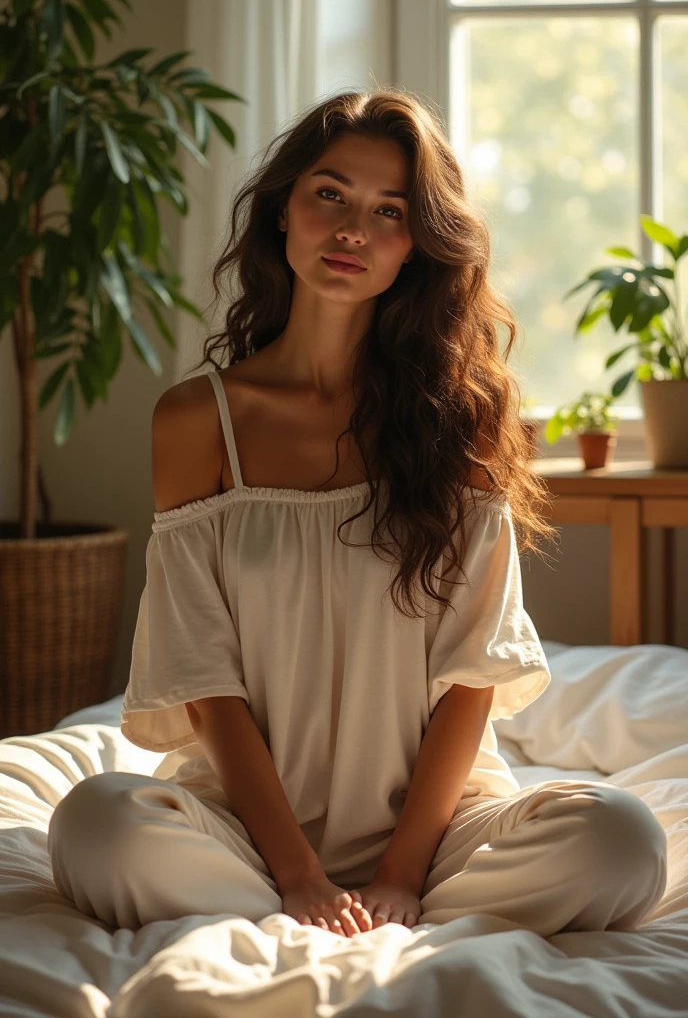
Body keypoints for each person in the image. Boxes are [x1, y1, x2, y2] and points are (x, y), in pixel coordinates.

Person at [48, 88, 667, 938]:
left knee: (622, 842)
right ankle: (300, 909)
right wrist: (299, 875)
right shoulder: (201, 420)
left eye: (390, 213)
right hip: (240, 831)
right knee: (95, 826)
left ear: (418, 247)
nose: (352, 232)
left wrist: (401, 876)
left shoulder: (466, 417)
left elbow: (474, 673)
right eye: (330, 195)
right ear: (283, 212)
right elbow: (204, 677)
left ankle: (390, 912)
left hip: (438, 833)